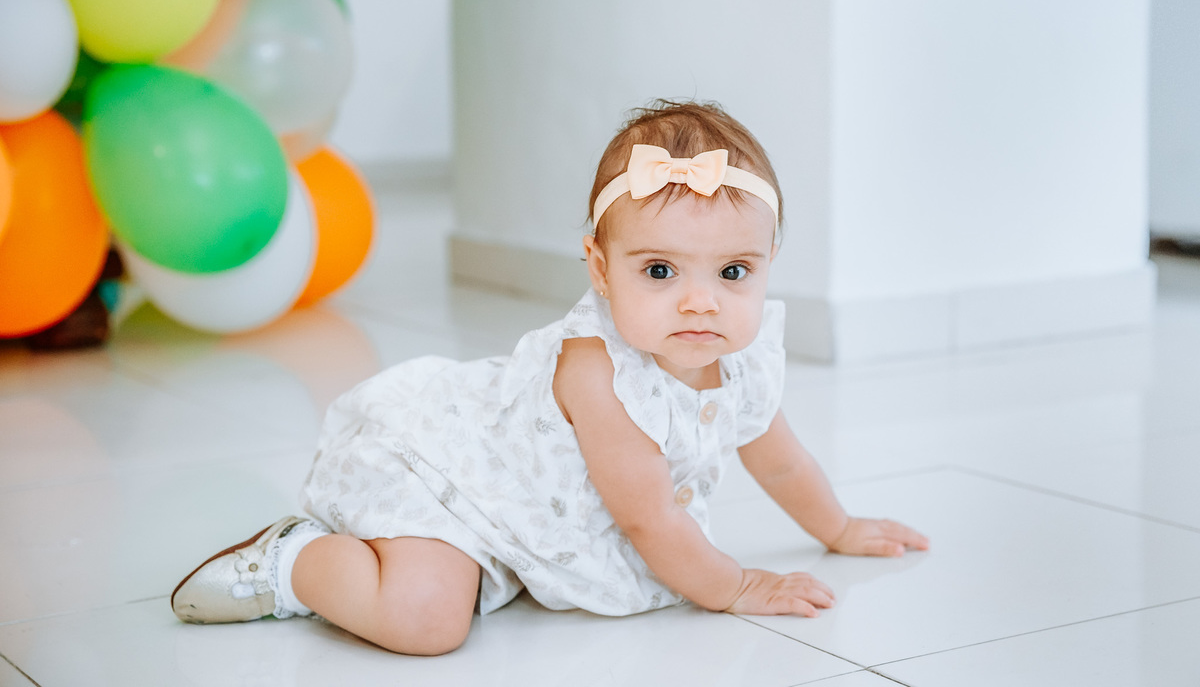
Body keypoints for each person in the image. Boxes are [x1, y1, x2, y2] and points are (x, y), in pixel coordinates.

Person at [171, 100, 929, 656]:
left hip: (529, 518)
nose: (701, 301)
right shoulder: (597, 370)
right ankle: (294, 561)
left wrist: (839, 529)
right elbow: (649, 519)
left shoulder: (744, 359)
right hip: (453, 477)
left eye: (733, 272)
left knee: (458, 605)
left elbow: (782, 459)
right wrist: (734, 586)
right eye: (659, 271)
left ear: (767, 265)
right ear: (600, 268)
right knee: (426, 622)